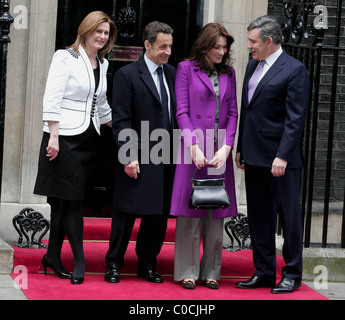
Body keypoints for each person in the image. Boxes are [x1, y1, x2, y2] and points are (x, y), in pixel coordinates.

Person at [34, 11, 117, 285]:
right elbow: (52, 96)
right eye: (99, 31)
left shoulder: (102, 64)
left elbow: (101, 103)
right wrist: (53, 135)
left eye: (106, 33)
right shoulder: (65, 57)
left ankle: (52, 256)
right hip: (63, 137)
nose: (102, 37)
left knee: (62, 201)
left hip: (87, 139)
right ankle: (79, 260)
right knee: (72, 200)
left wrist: (119, 127)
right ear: (86, 30)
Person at [235, 15, 310, 294]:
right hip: (253, 155)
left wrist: (283, 156)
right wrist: (242, 146)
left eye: (253, 41)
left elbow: (295, 119)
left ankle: (292, 274)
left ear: (269, 41)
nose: (249, 46)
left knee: (288, 218)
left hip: (281, 160)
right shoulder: (254, 64)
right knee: (258, 216)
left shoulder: (294, 69)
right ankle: (264, 270)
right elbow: (249, 110)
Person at [104, 21, 176, 284]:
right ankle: (113, 264)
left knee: (157, 215)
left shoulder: (173, 74)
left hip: (165, 155)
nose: (167, 52)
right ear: (147, 45)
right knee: (125, 212)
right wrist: (128, 155)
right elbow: (121, 119)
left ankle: (147, 263)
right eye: (162, 46)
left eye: (169, 46)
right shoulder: (127, 74)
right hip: (136, 154)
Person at [170, 23, 238, 290]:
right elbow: (182, 111)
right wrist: (193, 146)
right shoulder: (186, 69)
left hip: (220, 146)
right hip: (194, 145)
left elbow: (233, 113)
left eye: (224, 47)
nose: (221, 52)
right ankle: (187, 270)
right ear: (204, 46)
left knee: (216, 208)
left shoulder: (229, 73)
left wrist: (227, 147)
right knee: (190, 210)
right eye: (216, 47)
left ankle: (211, 271)